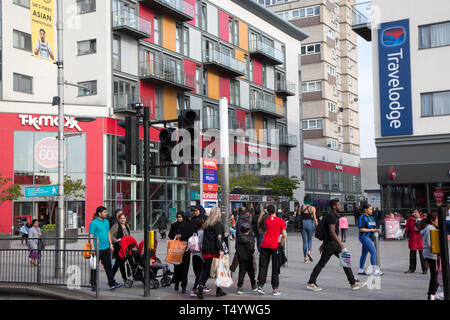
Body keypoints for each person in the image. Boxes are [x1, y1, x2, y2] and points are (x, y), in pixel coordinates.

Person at [307, 199, 367, 292]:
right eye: (338, 205)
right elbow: (332, 232)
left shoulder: (332, 215)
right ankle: (311, 282)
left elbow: (328, 232)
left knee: (345, 260)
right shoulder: (332, 216)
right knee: (322, 263)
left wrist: (323, 243)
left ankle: (353, 283)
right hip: (331, 244)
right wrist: (341, 244)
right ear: (334, 206)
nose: (340, 206)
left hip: (331, 243)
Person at [195, 207, 227, 299]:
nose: (221, 214)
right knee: (218, 270)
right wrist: (221, 250)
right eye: (220, 212)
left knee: (206, 270)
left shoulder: (207, 224)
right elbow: (219, 239)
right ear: (217, 214)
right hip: (214, 250)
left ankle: (201, 287)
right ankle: (216, 289)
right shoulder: (218, 225)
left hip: (206, 250)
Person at [256, 204, 287, 296]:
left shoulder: (266, 220)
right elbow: (284, 235)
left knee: (263, 266)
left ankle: (260, 286)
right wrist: (280, 244)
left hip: (264, 245)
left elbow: (261, 230)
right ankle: (275, 288)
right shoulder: (281, 221)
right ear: (275, 210)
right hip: (274, 245)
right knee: (275, 267)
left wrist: (263, 213)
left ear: (268, 212)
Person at [89, 206, 123, 291]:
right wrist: (92, 248)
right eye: (104, 212)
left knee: (108, 266)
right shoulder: (93, 223)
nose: (106, 213)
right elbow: (91, 236)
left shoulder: (106, 222)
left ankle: (112, 283)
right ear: (99, 213)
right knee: (94, 267)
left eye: (106, 212)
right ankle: (93, 285)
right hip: (97, 249)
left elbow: (108, 233)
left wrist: (111, 244)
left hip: (106, 248)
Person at [169, 211, 194, 294]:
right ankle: (176, 283)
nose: (179, 218)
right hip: (176, 249)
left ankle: (184, 286)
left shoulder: (188, 225)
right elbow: (170, 235)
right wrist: (175, 235)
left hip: (185, 250)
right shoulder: (174, 225)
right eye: (177, 217)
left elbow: (190, 236)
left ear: (183, 217)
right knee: (177, 268)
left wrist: (182, 236)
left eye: (180, 217)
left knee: (185, 268)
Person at [357, 204, 383, 276]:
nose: (371, 211)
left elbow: (374, 228)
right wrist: (371, 230)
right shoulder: (362, 217)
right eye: (370, 209)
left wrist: (376, 230)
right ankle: (375, 270)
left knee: (364, 254)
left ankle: (360, 270)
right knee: (373, 252)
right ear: (365, 209)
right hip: (364, 237)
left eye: (372, 209)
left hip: (369, 237)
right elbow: (361, 229)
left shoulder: (372, 218)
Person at [420, 212, 439, 300]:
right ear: (433, 220)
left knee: (435, 275)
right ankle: (431, 295)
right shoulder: (430, 228)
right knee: (436, 276)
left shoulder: (429, 227)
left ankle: (431, 294)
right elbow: (430, 242)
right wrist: (437, 250)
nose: (438, 221)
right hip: (432, 255)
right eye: (437, 219)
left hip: (429, 254)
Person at [236, 223, 257, 294]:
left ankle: (239, 287)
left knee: (241, 272)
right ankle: (253, 285)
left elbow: (236, 248)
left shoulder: (238, 238)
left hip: (241, 257)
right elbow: (252, 249)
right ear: (248, 230)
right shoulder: (250, 238)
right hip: (248, 257)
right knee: (251, 272)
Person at [404, 209, 427, 274]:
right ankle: (411, 269)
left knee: (422, 255)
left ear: (420, 213)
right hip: (413, 239)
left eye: (415, 212)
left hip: (421, 239)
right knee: (412, 255)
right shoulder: (410, 219)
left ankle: (424, 269)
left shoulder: (424, 220)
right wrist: (405, 230)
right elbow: (407, 228)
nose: (413, 213)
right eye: (413, 212)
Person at [110, 213, 131, 283]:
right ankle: (125, 279)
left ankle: (110, 278)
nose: (123, 220)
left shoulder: (127, 226)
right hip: (119, 248)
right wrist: (116, 240)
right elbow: (110, 236)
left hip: (126, 248)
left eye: (124, 218)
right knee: (121, 263)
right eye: (121, 218)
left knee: (117, 264)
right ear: (118, 219)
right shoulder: (116, 226)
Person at [190, 218, 207, 297]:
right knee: (199, 275)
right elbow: (203, 245)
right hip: (200, 256)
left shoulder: (194, 233)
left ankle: (201, 286)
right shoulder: (203, 233)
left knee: (197, 273)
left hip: (194, 255)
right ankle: (193, 290)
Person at [299, 195, 318, 263]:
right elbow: (315, 219)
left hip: (303, 224)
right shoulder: (313, 208)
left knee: (304, 241)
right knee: (310, 240)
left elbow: (299, 216)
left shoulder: (301, 207)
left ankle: (305, 258)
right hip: (310, 223)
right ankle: (309, 251)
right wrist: (317, 226)